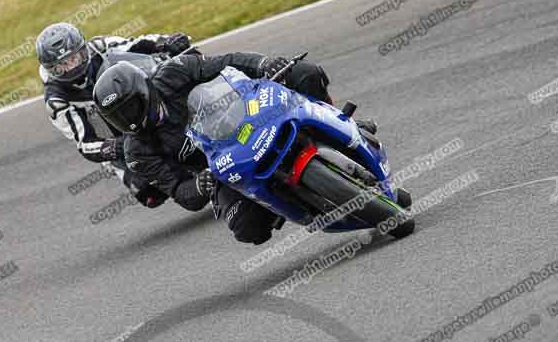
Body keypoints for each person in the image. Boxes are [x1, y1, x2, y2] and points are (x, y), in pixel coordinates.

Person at [92, 51, 337, 244]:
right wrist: (200, 185)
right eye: (117, 117)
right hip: (222, 167)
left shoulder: (174, 71)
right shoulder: (136, 152)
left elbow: (226, 62)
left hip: (248, 116)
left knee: (304, 73)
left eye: (129, 107)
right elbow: (179, 191)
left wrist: (262, 63)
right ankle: (290, 200)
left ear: (143, 89)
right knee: (247, 228)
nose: (127, 119)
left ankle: (338, 121)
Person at [35, 22, 192, 206]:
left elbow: (139, 43)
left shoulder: (100, 46)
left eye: (73, 59)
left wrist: (166, 42)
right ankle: (187, 187)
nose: (70, 67)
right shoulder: (56, 100)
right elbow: (85, 144)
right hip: (119, 141)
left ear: (83, 50)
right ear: (51, 69)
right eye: (61, 66)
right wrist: (116, 147)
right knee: (149, 194)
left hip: (141, 106)